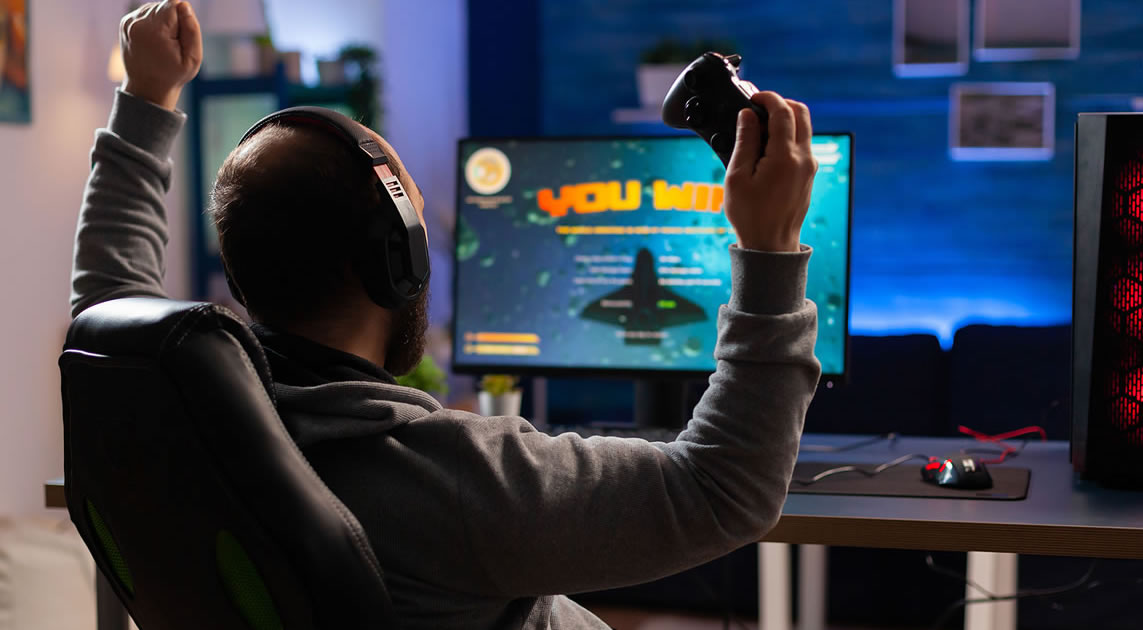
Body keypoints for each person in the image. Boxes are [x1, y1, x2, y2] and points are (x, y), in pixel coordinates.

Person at [70, 2, 822, 628]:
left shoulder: (178, 416)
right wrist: (772, 250)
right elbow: (726, 490)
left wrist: (146, 100)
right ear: (396, 264)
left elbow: (108, 302)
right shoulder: (451, 480)